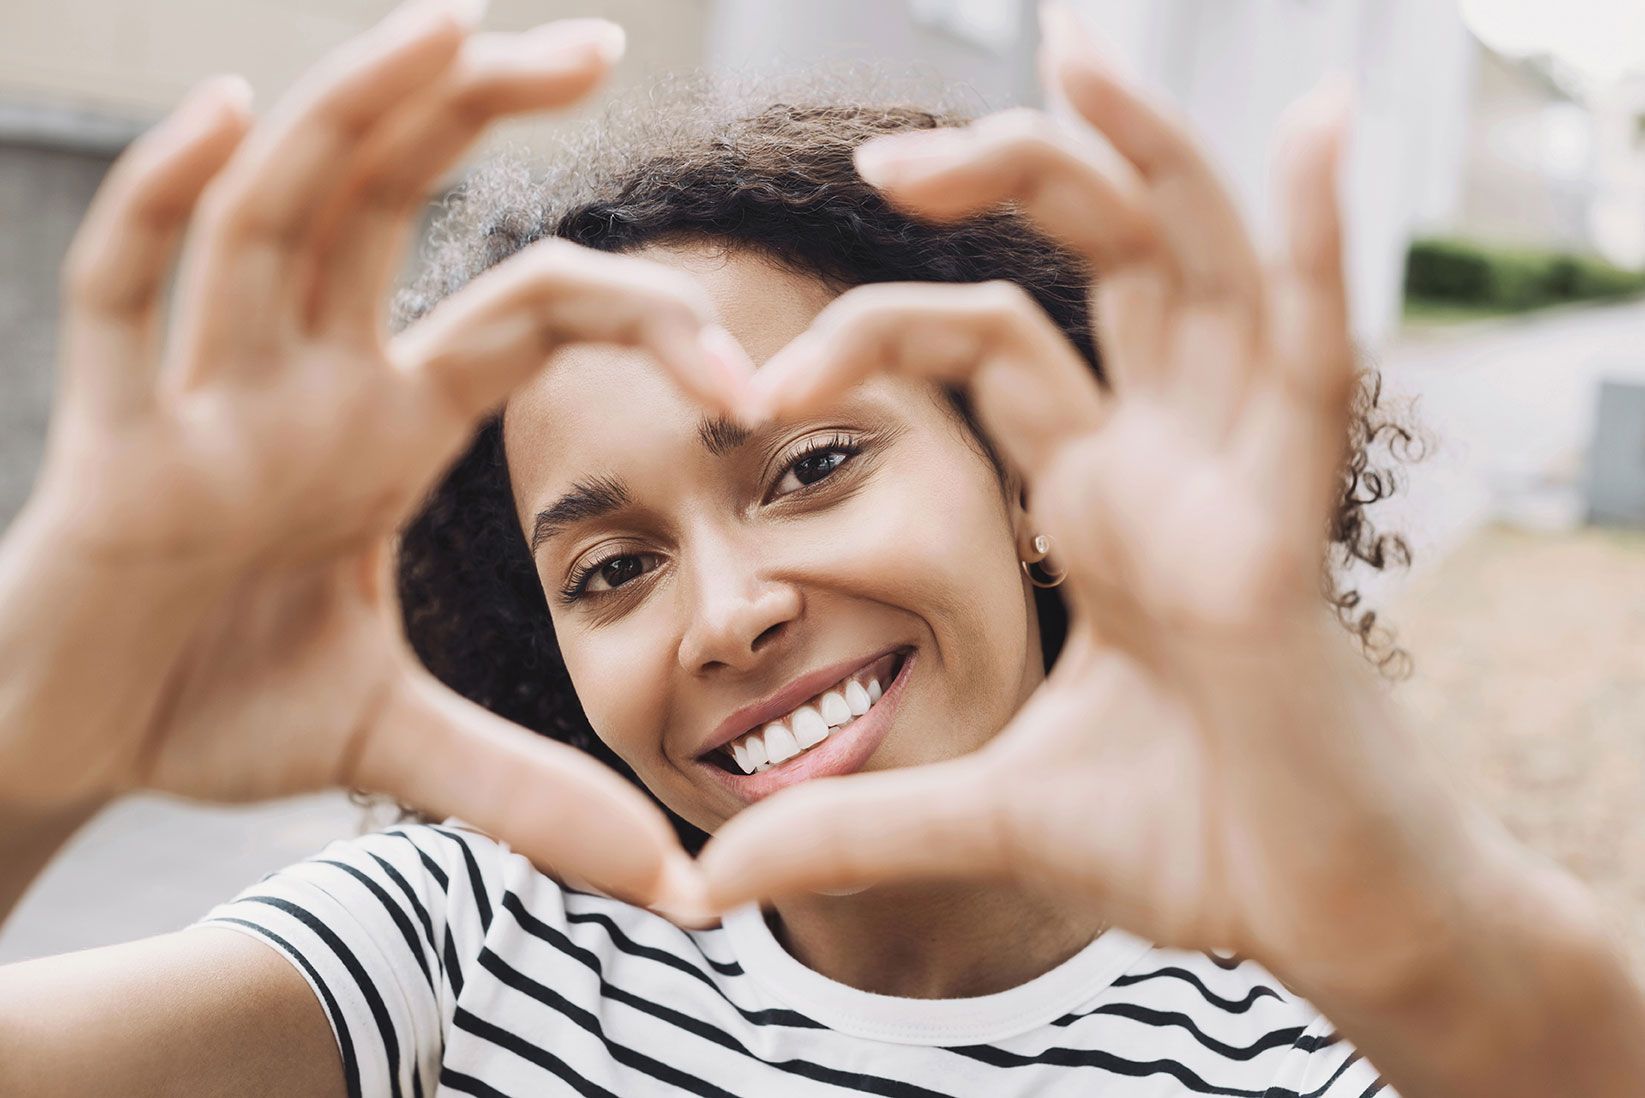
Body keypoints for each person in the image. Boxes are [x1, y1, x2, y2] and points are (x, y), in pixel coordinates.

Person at [1, 1, 1641, 1095]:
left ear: (1026, 480)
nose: (727, 610)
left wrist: (1430, 943)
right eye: (609, 569)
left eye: (812, 463)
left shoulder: (1324, 1032)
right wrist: (33, 737)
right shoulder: (468, 942)